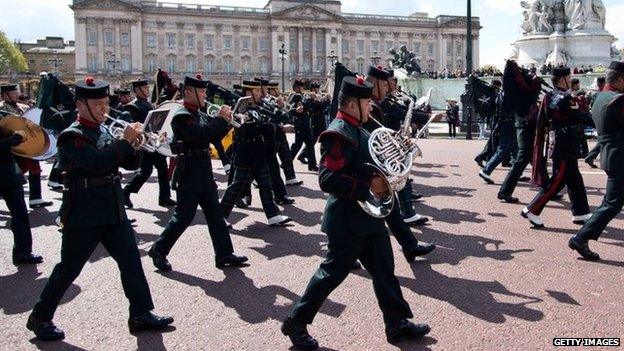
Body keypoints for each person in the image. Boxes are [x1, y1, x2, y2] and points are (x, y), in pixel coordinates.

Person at [281, 76, 430, 350]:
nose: (371, 105)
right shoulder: (338, 133)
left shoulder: (360, 128)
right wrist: (367, 187)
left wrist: (400, 153)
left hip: (369, 217)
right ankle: (296, 322)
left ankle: (396, 324)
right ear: (352, 104)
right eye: (366, 101)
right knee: (330, 275)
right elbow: (327, 179)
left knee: (385, 271)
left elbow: (376, 163)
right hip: (347, 221)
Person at [27, 76, 172, 341]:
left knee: (131, 261)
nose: (105, 108)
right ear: (81, 104)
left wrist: (137, 146)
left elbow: (127, 165)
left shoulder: (104, 130)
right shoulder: (72, 136)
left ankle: (141, 313)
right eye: (98, 103)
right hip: (84, 211)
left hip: (112, 207)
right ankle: (40, 317)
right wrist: (125, 142)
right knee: (69, 268)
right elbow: (98, 162)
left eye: (106, 102)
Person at [148, 74, 248, 271]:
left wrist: (226, 121)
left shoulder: (199, 114)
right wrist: (219, 119)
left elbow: (212, 137)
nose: (204, 95)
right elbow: (200, 134)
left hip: (202, 170)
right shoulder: (181, 115)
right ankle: (158, 250)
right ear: (188, 92)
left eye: (204, 91)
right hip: (189, 171)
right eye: (201, 91)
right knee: (183, 217)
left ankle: (224, 254)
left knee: (215, 215)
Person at [521, 67, 593, 228]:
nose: (571, 79)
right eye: (569, 77)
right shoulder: (566, 98)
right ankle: (532, 209)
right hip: (566, 143)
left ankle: (581, 212)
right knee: (558, 181)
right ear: (563, 79)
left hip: (557, 140)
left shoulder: (548, 96)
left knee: (574, 179)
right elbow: (581, 116)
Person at [569, 61, 624, 260]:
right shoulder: (618, 100)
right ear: (619, 80)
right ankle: (581, 237)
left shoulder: (600, 98)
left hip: (612, 155)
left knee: (613, 201)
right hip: (620, 157)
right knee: (612, 203)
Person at [219, 80, 292, 226]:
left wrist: (278, 115)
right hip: (246, 153)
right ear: (248, 94)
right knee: (236, 185)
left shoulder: (258, 106)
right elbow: (250, 128)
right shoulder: (241, 109)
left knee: (266, 184)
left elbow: (272, 119)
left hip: (258, 151)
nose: (260, 94)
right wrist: (275, 128)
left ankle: (273, 215)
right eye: (257, 91)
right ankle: (220, 216)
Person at [122, 79, 176, 208]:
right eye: (144, 88)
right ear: (137, 90)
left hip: (155, 143)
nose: (147, 90)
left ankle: (164, 197)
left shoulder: (149, 105)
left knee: (163, 170)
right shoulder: (132, 107)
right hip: (144, 145)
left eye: (147, 88)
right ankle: (125, 192)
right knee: (145, 172)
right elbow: (134, 127)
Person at [0, 84, 53, 208]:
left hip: (28, 144)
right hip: (12, 146)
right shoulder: (1, 109)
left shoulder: (24, 107)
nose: (16, 95)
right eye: (13, 93)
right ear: (4, 95)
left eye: (16, 92)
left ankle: (35, 199)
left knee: (34, 168)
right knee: (16, 172)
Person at [478, 80, 518, 188]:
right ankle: (486, 170)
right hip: (508, 124)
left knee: (516, 150)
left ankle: (517, 172)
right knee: (503, 149)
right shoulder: (506, 96)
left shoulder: (501, 95)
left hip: (505, 124)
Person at [290, 79, 318, 171]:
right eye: (301, 87)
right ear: (297, 88)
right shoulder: (296, 96)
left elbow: (307, 107)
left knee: (310, 145)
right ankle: (287, 162)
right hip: (300, 124)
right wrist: (311, 100)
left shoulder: (302, 96)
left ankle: (312, 165)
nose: (303, 88)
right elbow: (292, 109)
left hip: (306, 124)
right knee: (297, 145)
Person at [584, 76, 606, 168]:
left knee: (604, 139)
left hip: (597, 118)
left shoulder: (595, 94)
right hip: (603, 119)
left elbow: (592, 107)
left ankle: (591, 156)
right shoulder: (605, 94)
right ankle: (591, 156)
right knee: (605, 139)